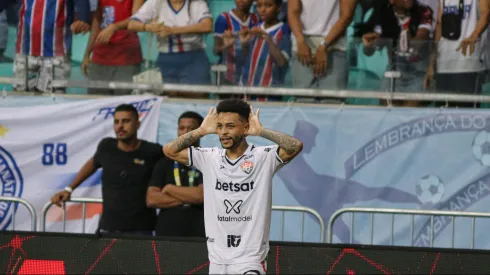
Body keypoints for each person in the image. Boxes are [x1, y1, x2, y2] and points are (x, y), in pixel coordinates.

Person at [163, 99, 303, 275]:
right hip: (217, 260)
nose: (223, 132)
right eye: (219, 126)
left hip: (250, 260)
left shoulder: (262, 157)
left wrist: (261, 132)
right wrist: (201, 131)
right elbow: (169, 151)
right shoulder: (210, 157)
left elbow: (295, 146)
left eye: (230, 126)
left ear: (245, 128)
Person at [50, 104, 164, 236]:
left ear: (137, 124)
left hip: (141, 229)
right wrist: (69, 189)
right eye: (116, 122)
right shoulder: (106, 147)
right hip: (108, 228)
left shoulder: (153, 151)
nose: (120, 126)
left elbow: (168, 171)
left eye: (126, 121)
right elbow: (92, 164)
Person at [356, 0, 434, 107]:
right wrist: (368, 46)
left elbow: (422, 38)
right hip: (394, 71)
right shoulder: (382, 14)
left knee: (410, 114)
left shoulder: (424, 11)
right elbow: (371, 49)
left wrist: (409, 39)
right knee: (387, 113)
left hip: (418, 72)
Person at [128, 0, 213, 97]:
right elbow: (132, 24)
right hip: (167, 58)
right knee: (171, 99)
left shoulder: (197, 3)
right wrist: (148, 27)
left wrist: (172, 30)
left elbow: (207, 26)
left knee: (196, 97)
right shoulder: (156, 3)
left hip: (194, 56)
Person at [147, 111, 205, 237]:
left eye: (191, 129)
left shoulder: (207, 160)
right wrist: (188, 197)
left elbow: (201, 196)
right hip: (166, 234)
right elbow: (152, 199)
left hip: (199, 234)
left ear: (200, 132)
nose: (185, 133)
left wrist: (169, 188)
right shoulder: (164, 163)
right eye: (182, 128)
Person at [13, 0, 92, 93]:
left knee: (53, 101)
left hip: (56, 54)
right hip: (25, 51)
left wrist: (84, 18)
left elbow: (83, 7)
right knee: (20, 99)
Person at [287, 0, 357, 102]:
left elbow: (347, 15)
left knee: (332, 103)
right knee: (303, 103)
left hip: (334, 46)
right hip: (303, 46)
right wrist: (300, 40)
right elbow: (293, 11)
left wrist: (324, 45)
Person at [425, 0, 490, 108]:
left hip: (469, 62)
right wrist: (432, 63)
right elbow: (439, 24)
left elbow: (486, 13)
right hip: (444, 63)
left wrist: (474, 35)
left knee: (466, 114)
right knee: (443, 113)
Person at [82, 0, 144, 95]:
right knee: (95, 103)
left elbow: (136, 19)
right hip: (100, 57)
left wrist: (114, 27)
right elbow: (96, 21)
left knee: (123, 104)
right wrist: (87, 54)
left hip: (126, 59)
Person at [236, 0, 292, 101]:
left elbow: (282, 62)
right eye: (259, 6)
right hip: (248, 91)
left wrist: (267, 38)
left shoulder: (284, 31)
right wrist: (244, 43)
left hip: (270, 94)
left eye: (268, 5)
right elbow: (246, 59)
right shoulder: (254, 28)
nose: (263, 9)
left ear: (278, 7)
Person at [214, 0, 258, 86]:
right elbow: (216, 51)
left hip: (248, 73)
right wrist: (227, 45)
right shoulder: (223, 18)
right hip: (227, 75)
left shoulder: (255, 19)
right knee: (227, 99)